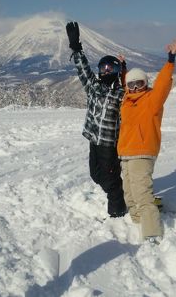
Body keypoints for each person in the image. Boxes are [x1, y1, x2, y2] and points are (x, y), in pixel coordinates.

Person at [118, 39, 176, 243]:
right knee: (129, 192)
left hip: (142, 152)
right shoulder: (126, 101)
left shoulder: (152, 100)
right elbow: (126, 82)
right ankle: (137, 220)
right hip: (125, 152)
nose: (135, 87)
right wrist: (123, 69)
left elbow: (162, 85)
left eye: (140, 83)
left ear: (146, 84)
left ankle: (152, 232)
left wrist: (170, 60)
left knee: (142, 193)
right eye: (132, 85)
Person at [66, 21, 127, 218]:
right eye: (103, 68)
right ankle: (121, 193)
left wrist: (125, 71)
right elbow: (83, 69)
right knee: (96, 175)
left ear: (116, 72)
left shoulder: (120, 94)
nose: (106, 71)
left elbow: (133, 95)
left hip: (110, 144)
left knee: (110, 180)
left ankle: (118, 211)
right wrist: (76, 47)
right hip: (94, 139)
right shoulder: (93, 87)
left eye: (110, 68)